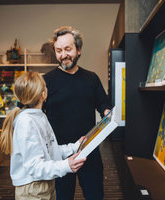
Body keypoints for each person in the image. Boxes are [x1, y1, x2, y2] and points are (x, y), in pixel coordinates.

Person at [43, 26, 112, 200]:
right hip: (59, 154)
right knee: (63, 197)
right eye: (59, 50)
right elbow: (30, 109)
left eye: (68, 49)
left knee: (94, 195)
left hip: (88, 149)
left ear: (78, 49)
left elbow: (103, 103)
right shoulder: (46, 81)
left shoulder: (91, 78)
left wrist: (106, 112)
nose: (63, 55)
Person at [0, 72, 86, 200]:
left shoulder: (39, 116)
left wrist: (75, 146)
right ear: (43, 94)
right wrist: (66, 165)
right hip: (32, 189)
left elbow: (50, 149)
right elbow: (34, 166)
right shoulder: (27, 122)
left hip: (45, 183)